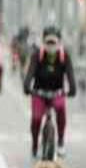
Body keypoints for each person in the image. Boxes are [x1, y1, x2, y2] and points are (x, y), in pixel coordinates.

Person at [23, 26, 76, 159]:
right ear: (43, 42)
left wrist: (72, 89)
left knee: (61, 109)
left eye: (54, 42)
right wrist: (27, 86)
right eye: (48, 42)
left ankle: (61, 141)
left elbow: (70, 75)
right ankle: (35, 143)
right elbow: (30, 73)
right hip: (39, 93)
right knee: (36, 118)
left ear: (59, 42)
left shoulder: (65, 56)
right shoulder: (37, 55)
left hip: (57, 93)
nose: (51, 45)